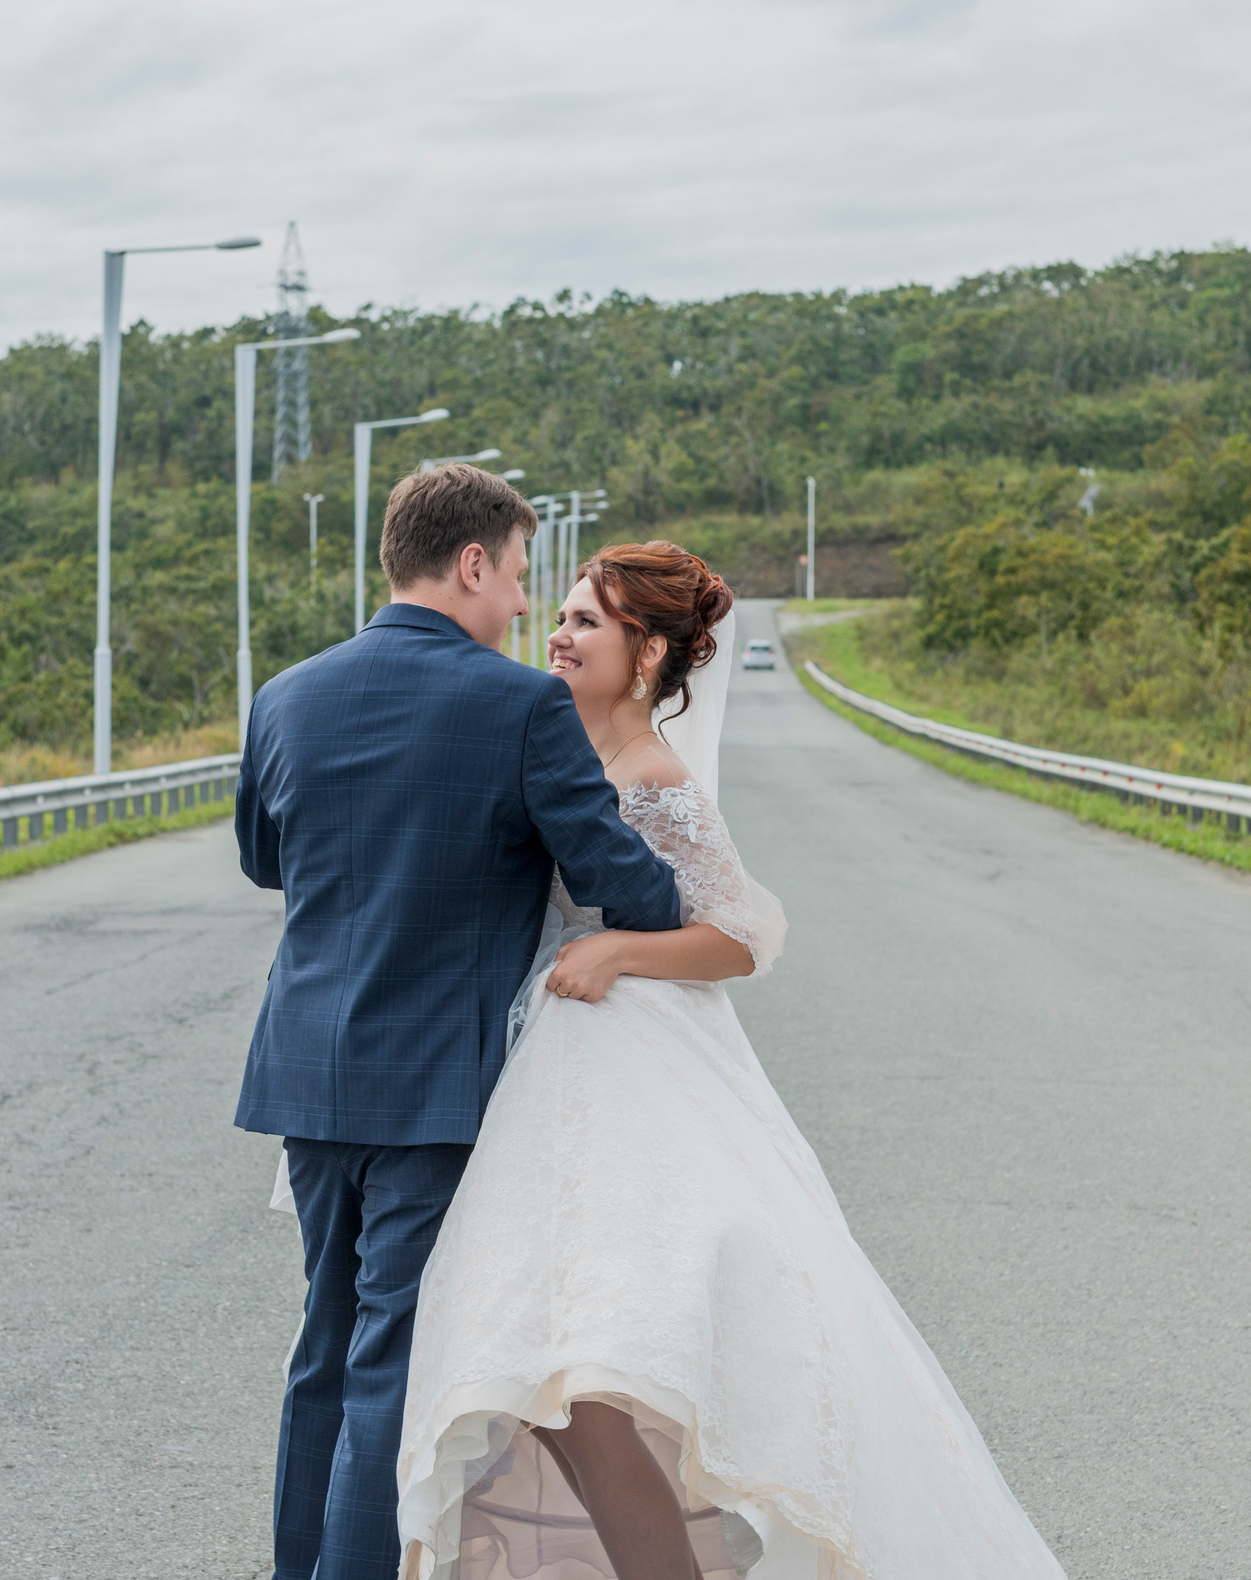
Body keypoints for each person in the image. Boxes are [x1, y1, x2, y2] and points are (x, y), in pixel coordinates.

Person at [395, 542, 1068, 1580]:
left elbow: (740, 934)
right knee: (550, 1366)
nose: (559, 632)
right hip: (547, 1072)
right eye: (562, 613)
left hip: (633, 1071)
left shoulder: (653, 775)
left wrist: (620, 946)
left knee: (597, 1359)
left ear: (648, 651)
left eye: (586, 621)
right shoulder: (545, 742)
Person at [234, 466, 684, 1580]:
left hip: (310, 1071)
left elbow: (263, 858)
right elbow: (621, 882)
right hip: (438, 1084)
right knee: (394, 1358)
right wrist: (657, 903)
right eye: (521, 577)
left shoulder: (284, 693)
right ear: (471, 562)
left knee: (324, 1351)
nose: (525, 608)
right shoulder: (517, 703)